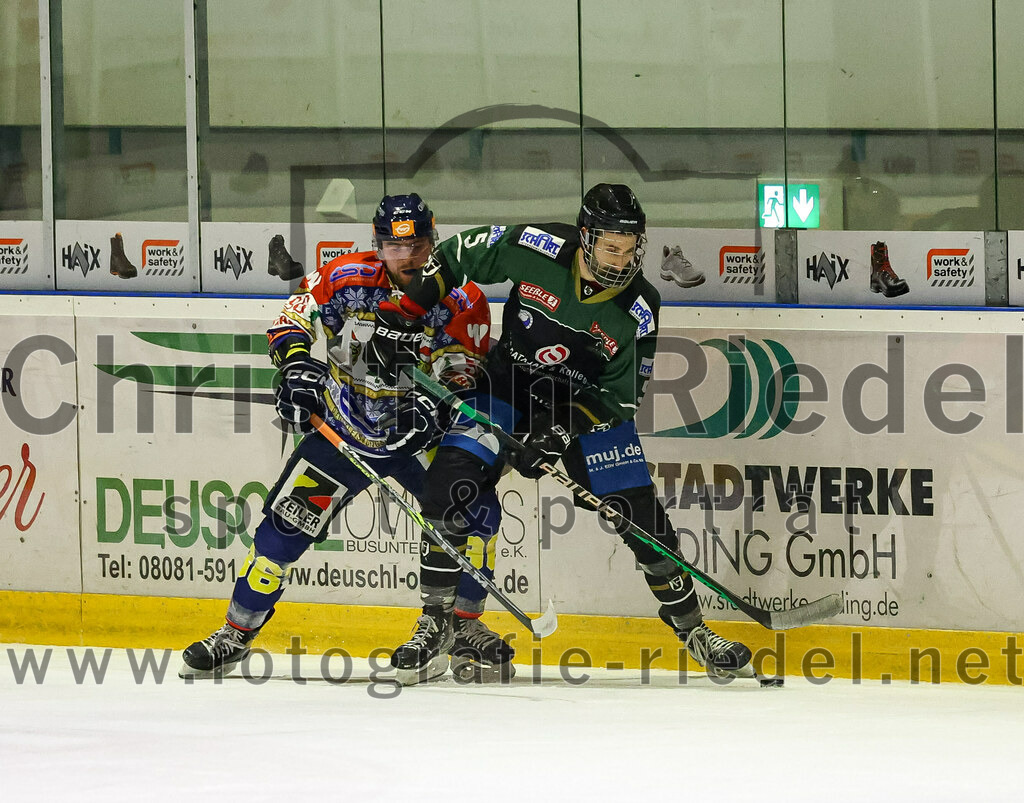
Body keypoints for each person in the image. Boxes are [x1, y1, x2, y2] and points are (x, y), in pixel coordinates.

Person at [378, 183, 754, 684]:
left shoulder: (641, 306)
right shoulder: (537, 246)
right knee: (449, 484)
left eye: (630, 249)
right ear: (586, 236)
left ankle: (694, 630)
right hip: (507, 389)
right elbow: (454, 255)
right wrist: (403, 318)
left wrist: (561, 428)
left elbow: (623, 398)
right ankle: (436, 622)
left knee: (639, 513)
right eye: (611, 247)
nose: (621, 260)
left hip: (581, 408)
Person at [179, 194, 515, 682]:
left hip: (420, 439)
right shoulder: (344, 277)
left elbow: (465, 370)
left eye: (418, 246)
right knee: (283, 529)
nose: (407, 258)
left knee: (474, 511)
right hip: (344, 429)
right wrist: (296, 365)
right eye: (394, 247)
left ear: (434, 240)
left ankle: (459, 625)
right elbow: (292, 317)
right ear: (377, 244)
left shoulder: (462, 296)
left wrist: (436, 402)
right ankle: (236, 632)